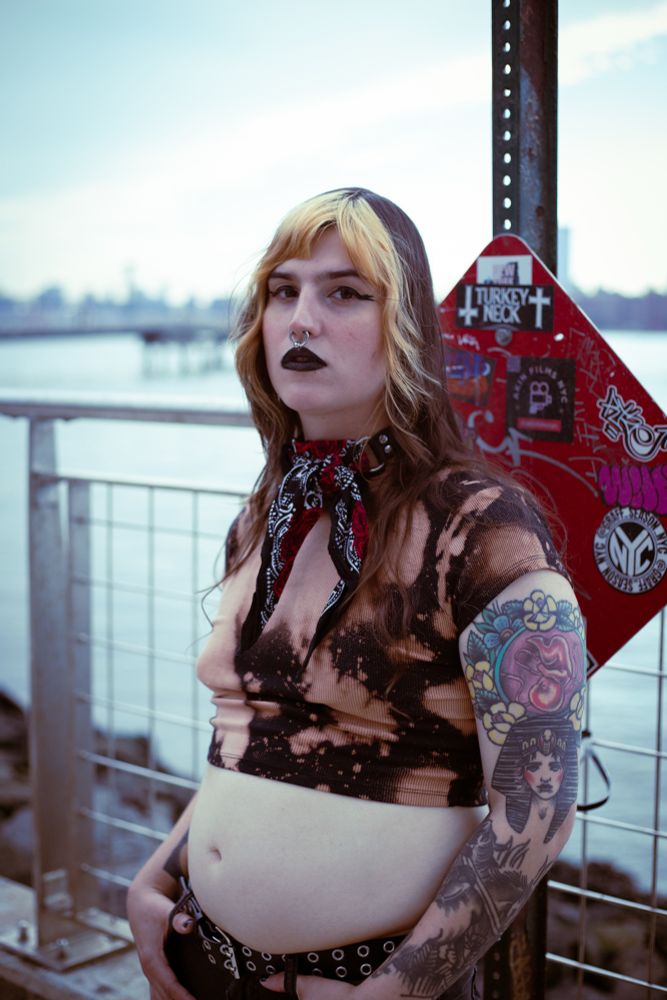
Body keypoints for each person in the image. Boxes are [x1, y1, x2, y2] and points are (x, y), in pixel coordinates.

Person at [127, 187, 586, 1000]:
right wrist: (154, 877)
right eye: (283, 291)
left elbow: (536, 808)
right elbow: (252, 735)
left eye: (344, 292)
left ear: (403, 325)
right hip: (200, 955)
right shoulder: (265, 518)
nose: (301, 320)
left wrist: (396, 992)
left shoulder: (479, 527)